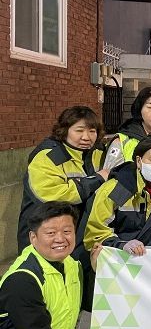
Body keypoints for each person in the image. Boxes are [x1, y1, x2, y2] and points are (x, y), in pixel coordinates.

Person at [18, 106, 108, 253]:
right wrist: (96, 179)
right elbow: (54, 194)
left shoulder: (96, 153)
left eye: (92, 131)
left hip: (76, 236)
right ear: (64, 130)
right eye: (79, 130)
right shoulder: (48, 156)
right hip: (44, 236)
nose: (86, 137)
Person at [81, 136, 151, 255]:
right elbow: (95, 233)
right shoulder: (118, 189)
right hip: (117, 260)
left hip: (149, 260)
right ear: (139, 161)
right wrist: (122, 245)